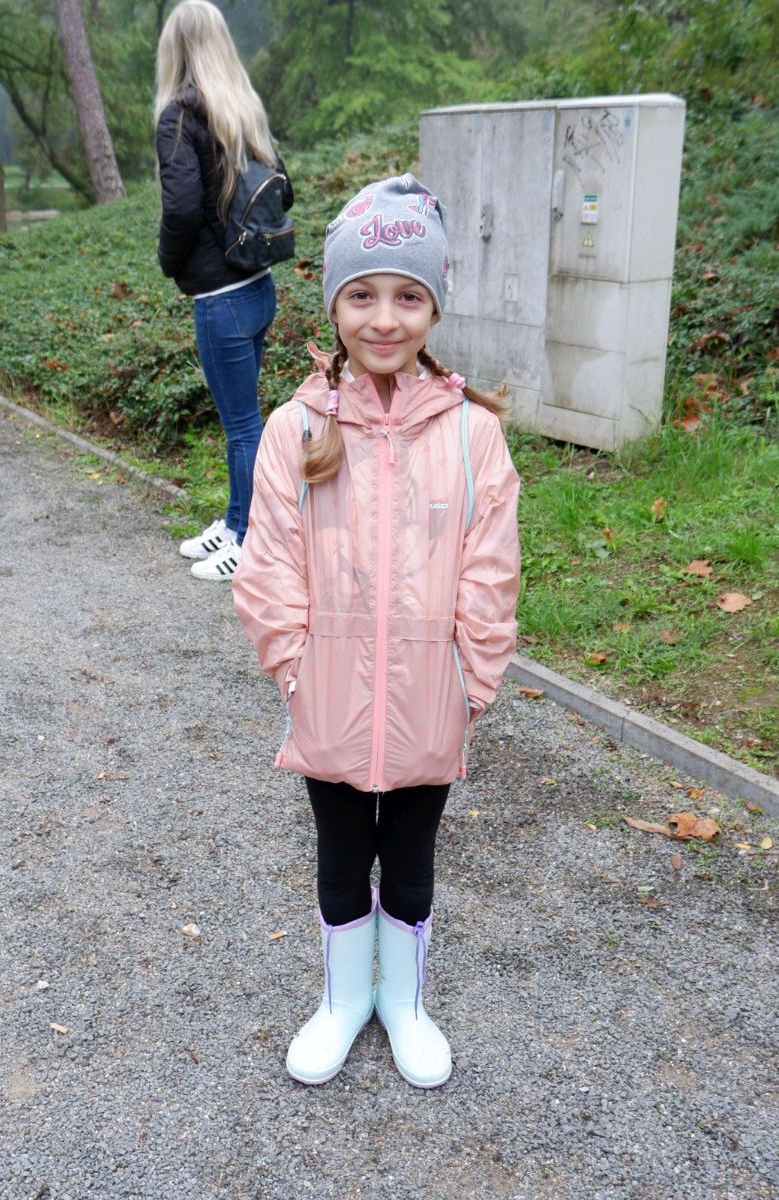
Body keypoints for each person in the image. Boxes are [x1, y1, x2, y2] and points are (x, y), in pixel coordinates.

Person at [233, 176, 521, 1088]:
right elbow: (269, 563)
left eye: (407, 296)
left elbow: (491, 568)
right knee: (340, 854)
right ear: (333, 304)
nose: (384, 318)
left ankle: (404, 1002)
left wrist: (472, 681)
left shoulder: (473, 435)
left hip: (434, 700)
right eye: (361, 294)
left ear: (434, 307)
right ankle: (342, 1000)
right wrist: (293, 670)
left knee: (411, 862)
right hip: (326, 698)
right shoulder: (297, 429)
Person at [154, 0, 293, 581]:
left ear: (174, 48)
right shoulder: (242, 107)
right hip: (258, 286)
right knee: (244, 421)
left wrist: (168, 262)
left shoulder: (179, 116)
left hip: (221, 298)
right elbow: (286, 190)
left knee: (241, 426)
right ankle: (236, 520)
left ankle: (250, 540)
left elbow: (182, 209)